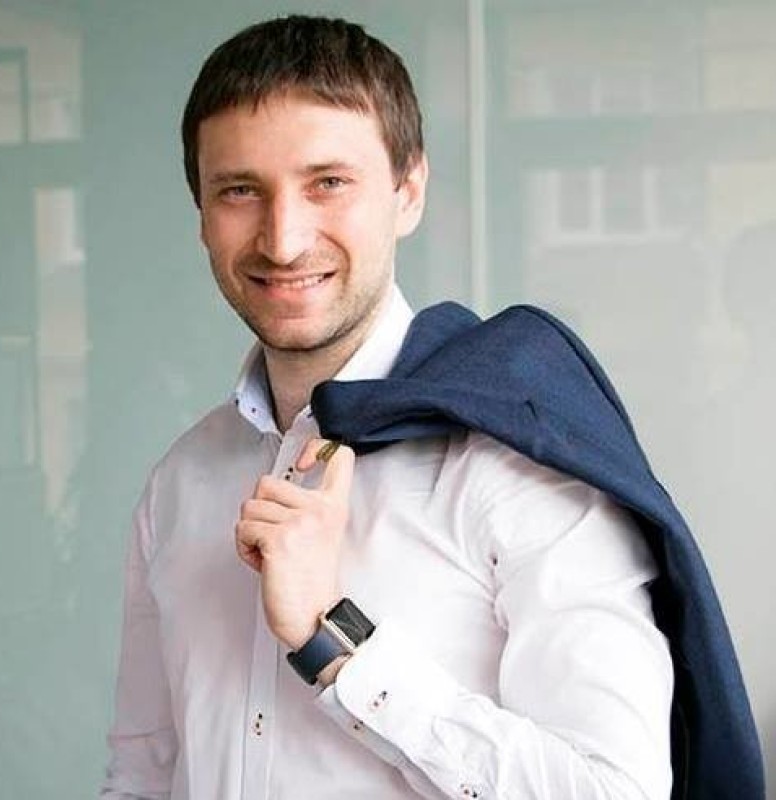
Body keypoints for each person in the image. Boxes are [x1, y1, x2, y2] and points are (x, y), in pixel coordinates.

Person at [102, 15, 683, 799]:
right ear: (201, 214)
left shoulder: (518, 463)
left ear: (408, 193)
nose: (283, 239)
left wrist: (336, 641)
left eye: (328, 183)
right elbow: (142, 776)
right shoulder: (181, 481)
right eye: (240, 190)